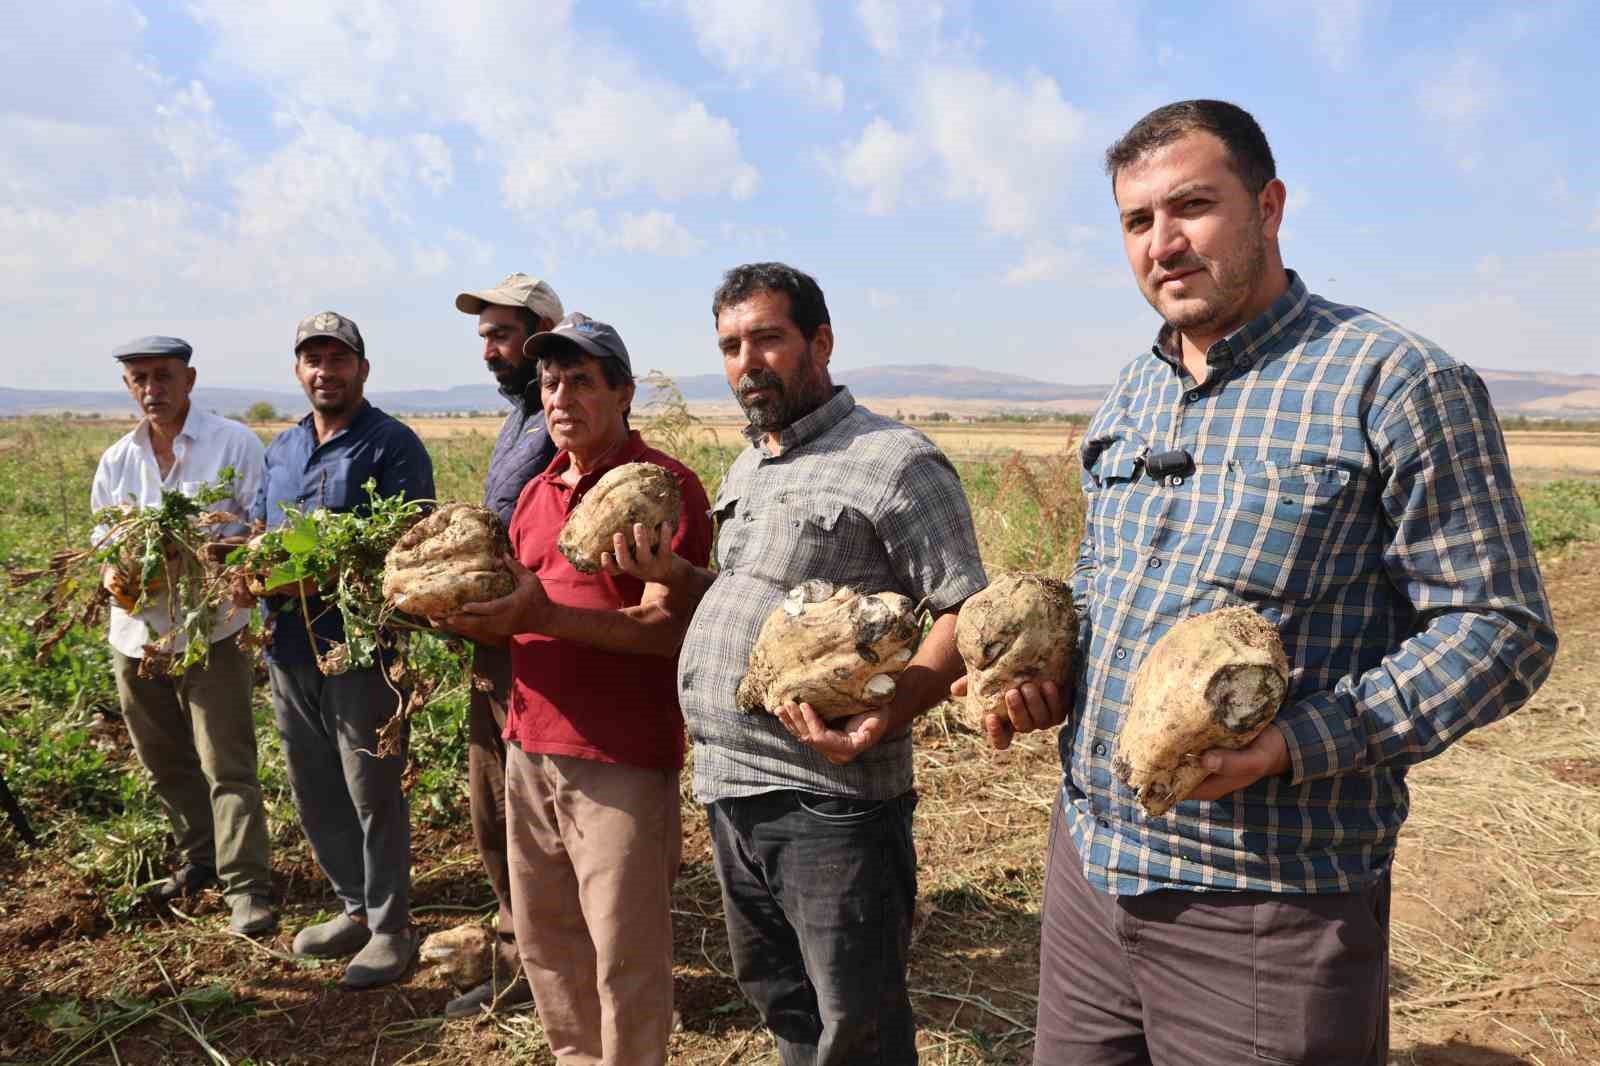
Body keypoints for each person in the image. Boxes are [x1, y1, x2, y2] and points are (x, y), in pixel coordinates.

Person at [1013, 99, 1558, 1065]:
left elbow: (1499, 628)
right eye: (1137, 222)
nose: (1163, 244)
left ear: (1269, 205)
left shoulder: (1393, 381)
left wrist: (1294, 744)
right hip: (1092, 875)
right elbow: (1104, 592)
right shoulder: (1134, 391)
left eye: (1191, 206)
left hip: (1270, 904)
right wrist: (1051, 672)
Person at [617, 263, 987, 1065]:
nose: (747, 362)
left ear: (820, 342)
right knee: (784, 1003)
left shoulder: (896, 462)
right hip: (731, 789)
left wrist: (898, 704)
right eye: (729, 346)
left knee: (857, 1024)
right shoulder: (750, 463)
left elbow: (965, 608)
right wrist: (674, 578)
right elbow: (757, 605)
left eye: (768, 339)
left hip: (831, 799)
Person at [439, 313, 712, 1064]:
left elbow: (668, 630)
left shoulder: (663, 488)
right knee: (549, 941)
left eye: (582, 382)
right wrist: (454, 610)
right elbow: (518, 618)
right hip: (528, 747)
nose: (561, 398)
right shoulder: (534, 495)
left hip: (617, 755)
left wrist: (544, 615)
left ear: (623, 392)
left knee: (625, 953)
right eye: (551, 383)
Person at [250, 311, 435, 989]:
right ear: (298, 371)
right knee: (314, 786)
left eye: (338, 359)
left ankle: (392, 928)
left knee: (371, 789)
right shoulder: (282, 450)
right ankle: (353, 908)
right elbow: (262, 534)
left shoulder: (392, 445)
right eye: (312, 360)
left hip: (359, 645)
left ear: (362, 368)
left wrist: (323, 569)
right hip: (289, 647)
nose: (324, 371)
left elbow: (409, 550)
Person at [90, 335, 275, 936]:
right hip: (137, 633)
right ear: (127, 387)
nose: (152, 389)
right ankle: (200, 861)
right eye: (140, 378)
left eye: (163, 376)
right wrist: (113, 569)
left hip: (212, 630)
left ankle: (247, 886)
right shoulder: (119, 459)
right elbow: (101, 544)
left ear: (189, 380)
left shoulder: (234, 445)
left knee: (227, 763)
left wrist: (196, 553)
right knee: (164, 759)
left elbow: (258, 531)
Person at [443, 272, 563, 1017]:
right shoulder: (518, 416)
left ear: (540, 333)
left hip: (540, 645)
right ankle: (521, 949)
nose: (489, 350)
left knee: (535, 815)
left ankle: (542, 969)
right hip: (495, 645)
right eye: (483, 336)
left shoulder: (560, 411)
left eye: (501, 335)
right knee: (492, 805)